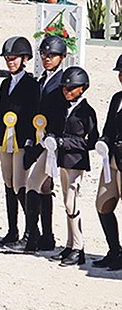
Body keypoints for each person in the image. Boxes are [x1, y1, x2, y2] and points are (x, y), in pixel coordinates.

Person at [18, 35, 69, 252]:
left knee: (32, 184)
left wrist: (48, 142)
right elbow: (34, 114)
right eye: (45, 55)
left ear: (62, 58)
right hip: (39, 141)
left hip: (52, 144)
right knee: (46, 188)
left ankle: (31, 237)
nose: (47, 59)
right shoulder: (41, 81)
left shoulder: (62, 83)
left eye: (52, 56)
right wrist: (31, 141)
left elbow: (60, 116)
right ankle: (47, 237)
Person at [0, 37, 39, 247]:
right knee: (8, 185)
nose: (10, 62)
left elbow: (33, 115)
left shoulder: (31, 85)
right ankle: (12, 230)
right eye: (8, 58)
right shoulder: (5, 83)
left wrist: (30, 142)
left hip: (21, 141)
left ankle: (32, 231)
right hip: (5, 141)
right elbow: (1, 113)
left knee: (20, 186)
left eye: (14, 58)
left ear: (24, 59)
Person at [49, 67, 98, 266]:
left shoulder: (87, 112)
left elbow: (92, 141)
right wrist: (52, 138)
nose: (66, 91)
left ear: (82, 88)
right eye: (65, 88)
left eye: (71, 88)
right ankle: (70, 245)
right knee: (66, 201)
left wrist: (65, 143)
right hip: (62, 160)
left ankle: (79, 247)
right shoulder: (63, 107)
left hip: (76, 161)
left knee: (72, 203)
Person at [93, 54, 122, 271]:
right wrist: (103, 140)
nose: (120, 77)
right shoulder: (116, 98)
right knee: (103, 204)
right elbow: (108, 128)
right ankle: (114, 250)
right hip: (110, 161)